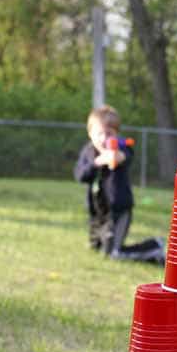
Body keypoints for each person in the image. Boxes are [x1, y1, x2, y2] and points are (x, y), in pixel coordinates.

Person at [73, 105, 165, 265]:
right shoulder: (88, 152)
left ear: (116, 134)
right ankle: (153, 255)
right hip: (98, 213)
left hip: (118, 211)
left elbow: (125, 155)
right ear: (90, 133)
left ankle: (153, 246)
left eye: (109, 134)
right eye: (99, 133)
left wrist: (114, 155)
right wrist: (96, 163)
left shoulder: (121, 146)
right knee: (97, 248)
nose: (103, 138)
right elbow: (80, 175)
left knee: (114, 254)